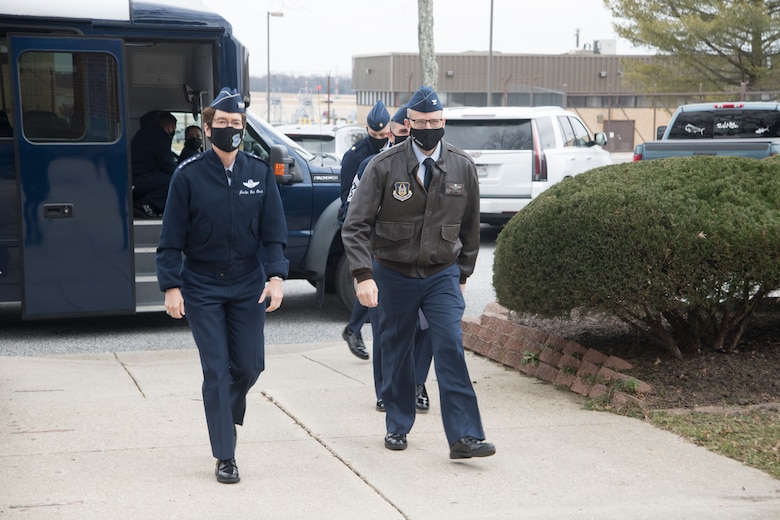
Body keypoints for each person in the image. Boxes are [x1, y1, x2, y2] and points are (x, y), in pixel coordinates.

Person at [342, 85, 495, 459]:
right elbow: (355, 224)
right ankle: (397, 424)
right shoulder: (383, 166)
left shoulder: (462, 166)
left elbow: (470, 227)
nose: (429, 128)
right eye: (421, 122)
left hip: (441, 272)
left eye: (434, 122)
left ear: (443, 122)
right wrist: (363, 274)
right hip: (393, 272)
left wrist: (463, 275)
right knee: (396, 350)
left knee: (450, 346)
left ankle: (465, 436)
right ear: (408, 124)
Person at [156, 87, 289, 484]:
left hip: (248, 282)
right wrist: (171, 285)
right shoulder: (188, 175)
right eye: (222, 123)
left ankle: (223, 413)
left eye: (236, 123)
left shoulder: (259, 172)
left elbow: (274, 232)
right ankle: (225, 454)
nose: (230, 128)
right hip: (202, 285)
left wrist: (277, 277)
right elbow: (170, 237)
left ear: (243, 128)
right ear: (208, 128)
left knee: (249, 365)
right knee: (216, 370)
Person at [341, 105, 433, 413]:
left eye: (412, 130)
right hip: (385, 259)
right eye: (403, 131)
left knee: (426, 327)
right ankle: (386, 389)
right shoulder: (372, 165)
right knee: (385, 330)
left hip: (426, 261)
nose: (409, 135)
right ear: (391, 133)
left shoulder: (436, 164)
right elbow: (351, 213)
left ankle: (417, 383)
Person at [339, 100, 391, 360]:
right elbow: (348, 198)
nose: (380, 140)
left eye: (384, 135)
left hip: (385, 229)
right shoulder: (355, 156)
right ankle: (354, 328)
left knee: (378, 282)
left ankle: (354, 328)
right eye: (375, 135)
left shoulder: (395, 150)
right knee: (372, 278)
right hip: (363, 228)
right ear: (367, 130)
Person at [131, 110, 178, 217]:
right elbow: (167, 164)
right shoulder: (160, 137)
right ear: (170, 126)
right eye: (173, 127)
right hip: (140, 178)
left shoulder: (143, 133)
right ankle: (147, 203)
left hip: (135, 176)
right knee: (175, 180)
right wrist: (184, 174)